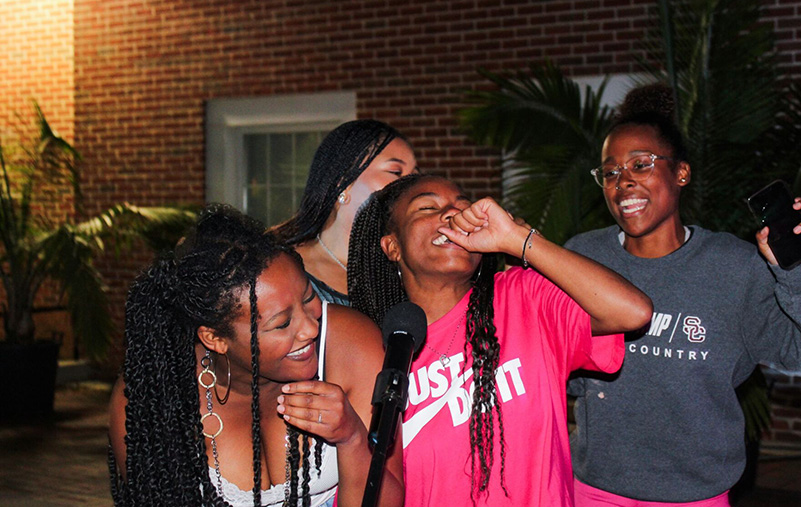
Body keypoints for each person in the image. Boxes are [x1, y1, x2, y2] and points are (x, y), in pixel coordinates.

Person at [565, 84, 801, 506]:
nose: (623, 182)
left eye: (641, 164)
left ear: (681, 173)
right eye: (610, 172)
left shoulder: (735, 268)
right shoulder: (582, 255)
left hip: (694, 494)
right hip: (591, 488)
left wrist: (798, 275)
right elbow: (562, 366)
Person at [347, 174, 653, 506]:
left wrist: (517, 239)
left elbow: (632, 311)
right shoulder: (380, 349)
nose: (452, 214)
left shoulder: (524, 297)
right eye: (428, 207)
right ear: (392, 246)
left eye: (462, 207)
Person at [108, 205, 403, 507]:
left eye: (308, 297)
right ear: (215, 338)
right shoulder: (154, 396)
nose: (310, 328)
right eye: (282, 323)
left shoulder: (352, 345)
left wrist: (351, 437)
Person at [273, 119, 418, 305]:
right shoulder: (280, 269)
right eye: (395, 172)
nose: (413, 185)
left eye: (415, 175)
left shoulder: (407, 272)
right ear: (344, 184)